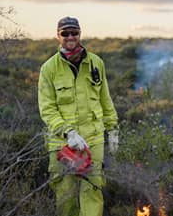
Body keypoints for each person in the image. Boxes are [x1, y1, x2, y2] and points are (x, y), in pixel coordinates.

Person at [38, 16, 119, 216]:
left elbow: (105, 99)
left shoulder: (96, 63)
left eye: (74, 32)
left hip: (93, 140)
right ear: (58, 36)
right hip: (62, 143)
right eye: (65, 33)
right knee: (66, 199)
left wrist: (113, 128)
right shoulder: (48, 69)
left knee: (92, 194)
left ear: (80, 34)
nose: (70, 37)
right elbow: (47, 109)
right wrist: (69, 132)